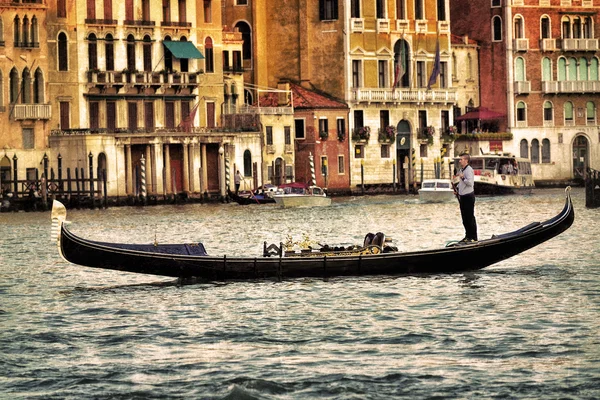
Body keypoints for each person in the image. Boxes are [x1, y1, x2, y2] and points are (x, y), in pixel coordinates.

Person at [454, 153, 477, 242]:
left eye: (461, 159)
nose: (460, 161)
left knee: (470, 217)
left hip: (468, 196)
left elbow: (470, 183)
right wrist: (457, 190)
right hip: (462, 196)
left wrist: (463, 178)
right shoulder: (461, 170)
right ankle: (467, 236)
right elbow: (461, 183)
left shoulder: (469, 170)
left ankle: (473, 237)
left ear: (466, 160)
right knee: (464, 218)